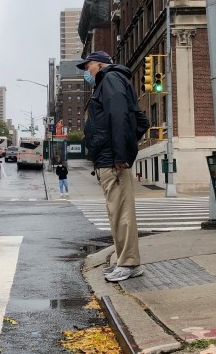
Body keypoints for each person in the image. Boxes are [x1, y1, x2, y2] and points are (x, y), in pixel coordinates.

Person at [78, 51, 149, 283]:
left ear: (100, 64)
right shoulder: (111, 81)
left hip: (112, 160)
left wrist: (120, 153)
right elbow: (141, 121)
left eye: (87, 66)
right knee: (117, 212)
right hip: (108, 158)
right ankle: (125, 261)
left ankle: (129, 263)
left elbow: (118, 117)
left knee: (121, 213)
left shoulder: (110, 79)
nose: (86, 71)